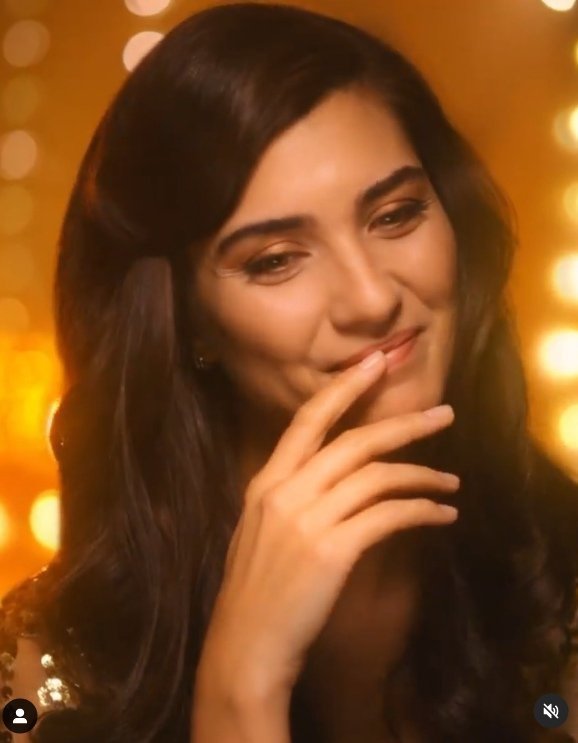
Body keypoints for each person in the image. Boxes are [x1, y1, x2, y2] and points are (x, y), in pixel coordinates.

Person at [1, 2, 577, 742]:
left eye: (395, 214)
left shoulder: (560, 581)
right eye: (275, 260)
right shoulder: (42, 673)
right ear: (187, 321)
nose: (371, 298)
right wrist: (241, 688)